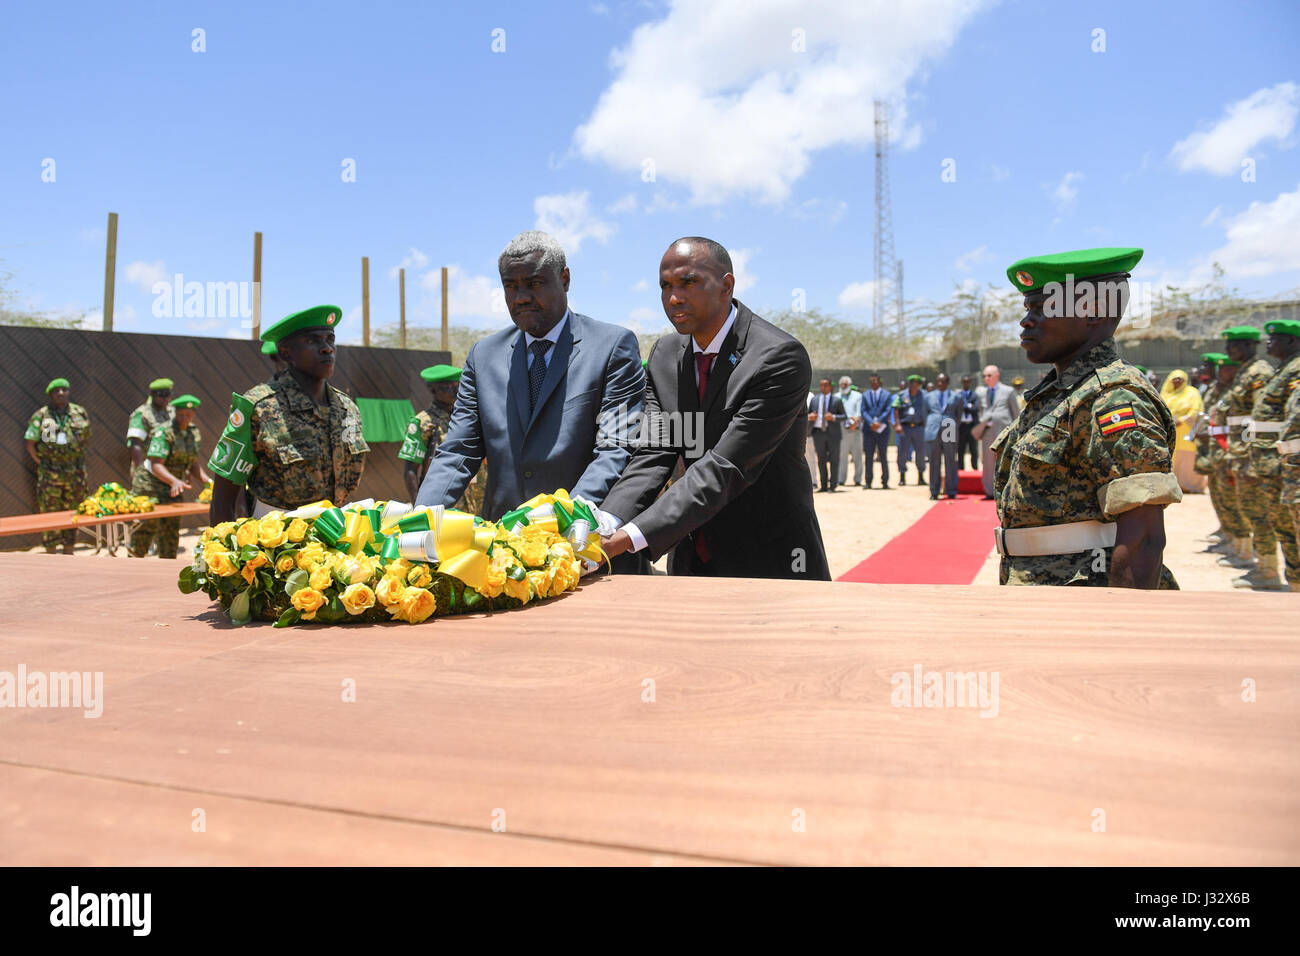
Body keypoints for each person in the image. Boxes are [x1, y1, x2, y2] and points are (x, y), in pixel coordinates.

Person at [598, 236, 829, 580]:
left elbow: (725, 467)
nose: (674, 298)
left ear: (726, 285)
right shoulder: (665, 356)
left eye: (688, 282)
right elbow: (655, 451)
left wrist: (625, 539)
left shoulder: (778, 358)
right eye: (665, 286)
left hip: (771, 562)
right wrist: (604, 522)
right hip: (692, 560)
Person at [415, 230, 645, 525]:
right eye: (510, 286)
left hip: (585, 542)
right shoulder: (483, 357)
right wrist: (420, 518)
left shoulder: (612, 347)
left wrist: (562, 519)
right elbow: (459, 449)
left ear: (565, 279)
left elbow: (616, 446)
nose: (521, 297)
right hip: (502, 551)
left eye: (534, 283)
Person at [993, 247, 1180, 588]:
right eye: (1027, 308)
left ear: (1093, 311)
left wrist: (1118, 633)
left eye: (1043, 307)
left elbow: (1143, 538)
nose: (1026, 321)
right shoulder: (1061, 393)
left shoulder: (1114, 397)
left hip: (1083, 602)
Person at [208, 305, 369, 522]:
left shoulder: (346, 407)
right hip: (275, 540)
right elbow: (223, 498)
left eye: (330, 339)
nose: (327, 348)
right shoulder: (259, 407)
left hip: (336, 530)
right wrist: (224, 552)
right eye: (313, 341)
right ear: (286, 352)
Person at [1220, 325, 1280, 588]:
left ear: (1247, 346)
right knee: (1250, 509)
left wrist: (1248, 455)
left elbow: (1259, 419)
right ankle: (1262, 564)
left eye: (1232, 346)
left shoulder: (1259, 373)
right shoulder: (1246, 371)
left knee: (1259, 513)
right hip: (1241, 451)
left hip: (1253, 454)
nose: (1228, 351)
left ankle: (1268, 571)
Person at [1242, 319, 1300, 590]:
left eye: (1275, 338)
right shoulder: (1283, 370)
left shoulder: (1295, 370)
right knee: (1283, 524)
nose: (1268, 342)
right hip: (1276, 461)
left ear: (1292, 342)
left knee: (1288, 524)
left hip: (1286, 462)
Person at [129, 394, 209, 558]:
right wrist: (175, 480)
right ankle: (133, 566)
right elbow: (155, 463)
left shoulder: (193, 433)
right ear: (175, 413)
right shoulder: (164, 431)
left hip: (173, 487)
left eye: (188, 415)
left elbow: (193, 462)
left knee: (170, 532)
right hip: (150, 487)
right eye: (180, 414)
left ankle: (167, 568)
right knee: (145, 529)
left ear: (193, 414)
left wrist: (207, 481)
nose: (184, 418)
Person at [399, 364, 486, 513]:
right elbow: (411, 471)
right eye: (447, 387)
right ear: (433, 390)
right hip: (445, 504)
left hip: (478, 500)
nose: (454, 392)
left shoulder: (470, 418)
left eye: (457, 386)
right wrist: (419, 509)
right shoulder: (423, 423)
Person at [24, 377, 91, 554]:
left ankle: (69, 550)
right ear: (51, 395)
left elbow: (86, 438)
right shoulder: (42, 415)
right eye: (56, 391)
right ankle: (51, 552)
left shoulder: (79, 413)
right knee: (50, 512)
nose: (61, 393)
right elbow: (30, 442)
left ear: (68, 392)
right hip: (50, 474)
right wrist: (42, 462)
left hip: (75, 473)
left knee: (73, 512)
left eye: (64, 389)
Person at [1195, 354, 1248, 555]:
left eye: (1224, 369)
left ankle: (1242, 546)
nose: (1220, 373)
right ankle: (1230, 536)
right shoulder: (1220, 390)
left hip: (1229, 452)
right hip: (1217, 452)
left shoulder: (1236, 392)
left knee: (1234, 501)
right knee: (1221, 498)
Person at [976, 364, 1020, 499]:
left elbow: (1016, 414)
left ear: (997, 375)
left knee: (1005, 462)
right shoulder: (981, 393)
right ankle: (990, 492)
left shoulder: (1008, 391)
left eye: (989, 375)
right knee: (988, 463)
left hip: (1004, 434)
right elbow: (979, 412)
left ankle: (1005, 491)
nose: (986, 378)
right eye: (984, 376)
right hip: (987, 434)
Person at [1160, 369, 1206, 494]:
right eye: (1174, 378)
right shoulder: (1166, 394)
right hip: (1171, 432)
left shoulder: (1192, 393)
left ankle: (1191, 486)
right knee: (1172, 458)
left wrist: (1181, 420)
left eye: (1180, 378)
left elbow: (1195, 410)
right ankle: (1173, 486)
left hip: (1186, 431)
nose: (1177, 381)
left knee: (1188, 459)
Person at [924, 372, 961, 499]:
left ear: (948, 382)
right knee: (934, 461)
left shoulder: (956, 396)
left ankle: (951, 490)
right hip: (932, 429)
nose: (940, 384)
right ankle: (934, 491)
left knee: (950, 460)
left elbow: (959, 415)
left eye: (943, 381)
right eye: (938, 381)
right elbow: (925, 414)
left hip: (949, 427)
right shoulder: (928, 396)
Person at [126, 378, 175, 472]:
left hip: (169, 467)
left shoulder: (173, 411)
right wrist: (141, 470)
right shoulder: (142, 414)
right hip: (148, 466)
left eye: (168, 394)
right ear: (153, 395)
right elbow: (135, 444)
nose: (165, 398)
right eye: (161, 395)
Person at [807, 378, 845, 492]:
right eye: (821, 385)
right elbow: (808, 414)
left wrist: (833, 417)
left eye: (826, 385)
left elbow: (844, 416)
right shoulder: (815, 399)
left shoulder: (837, 400)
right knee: (821, 459)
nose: (823, 388)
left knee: (834, 459)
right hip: (818, 433)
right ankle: (823, 485)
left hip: (832, 433)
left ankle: (832, 485)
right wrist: (811, 416)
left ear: (830, 387)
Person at [860, 373, 893, 489]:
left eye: (875, 381)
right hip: (869, 429)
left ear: (880, 382)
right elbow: (863, 411)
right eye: (871, 382)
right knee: (869, 456)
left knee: (883, 455)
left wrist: (879, 421)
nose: (873, 383)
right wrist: (871, 423)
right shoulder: (865, 395)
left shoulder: (887, 394)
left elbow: (888, 409)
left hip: (882, 429)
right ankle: (868, 481)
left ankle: (885, 481)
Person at [893, 375, 926, 485]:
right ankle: (902, 476)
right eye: (912, 383)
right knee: (903, 452)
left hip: (919, 427)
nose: (914, 386)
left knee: (921, 452)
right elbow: (896, 410)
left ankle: (921, 476)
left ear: (920, 385)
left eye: (916, 384)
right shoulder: (902, 395)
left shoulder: (924, 396)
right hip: (905, 427)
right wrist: (897, 424)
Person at [836, 376, 863, 486]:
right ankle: (841, 479)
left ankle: (858, 479)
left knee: (858, 454)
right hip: (841, 429)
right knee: (842, 455)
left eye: (845, 384)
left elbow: (859, 412)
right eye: (842, 384)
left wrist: (855, 421)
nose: (843, 386)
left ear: (850, 385)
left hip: (855, 428)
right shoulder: (836, 396)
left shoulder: (857, 396)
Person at [956, 374, 979, 470]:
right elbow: (959, 408)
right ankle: (960, 470)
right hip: (961, 426)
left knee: (973, 449)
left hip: (972, 425)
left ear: (970, 383)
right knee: (961, 449)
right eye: (964, 382)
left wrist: (966, 406)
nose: (966, 384)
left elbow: (976, 409)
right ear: (962, 383)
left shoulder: (974, 395)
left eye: (968, 382)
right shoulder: (958, 395)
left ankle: (975, 469)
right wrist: (969, 406)